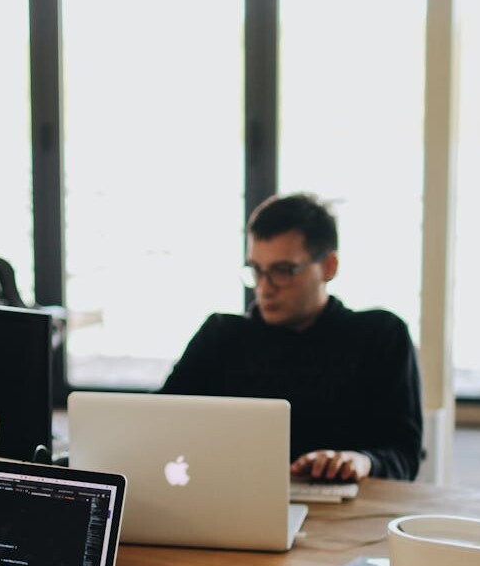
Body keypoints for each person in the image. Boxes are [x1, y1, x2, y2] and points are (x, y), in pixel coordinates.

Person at [160, 192, 423, 481]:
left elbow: (405, 456)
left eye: (283, 271)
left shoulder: (381, 336)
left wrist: (362, 461)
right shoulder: (220, 336)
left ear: (329, 266)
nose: (264, 288)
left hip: (347, 514)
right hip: (231, 504)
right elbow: (158, 423)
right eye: (257, 271)